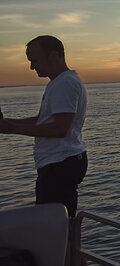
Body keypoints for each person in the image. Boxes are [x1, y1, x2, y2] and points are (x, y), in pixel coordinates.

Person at [0, 35, 88, 217]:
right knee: (57, 222)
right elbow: (43, 120)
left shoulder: (64, 83)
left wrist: (11, 128)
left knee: (54, 223)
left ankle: (63, 246)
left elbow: (59, 129)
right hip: (60, 163)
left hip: (59, 165)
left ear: (54, 56)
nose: (32, 67)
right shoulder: (60, 82)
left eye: (35, 61)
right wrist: (7, 123)